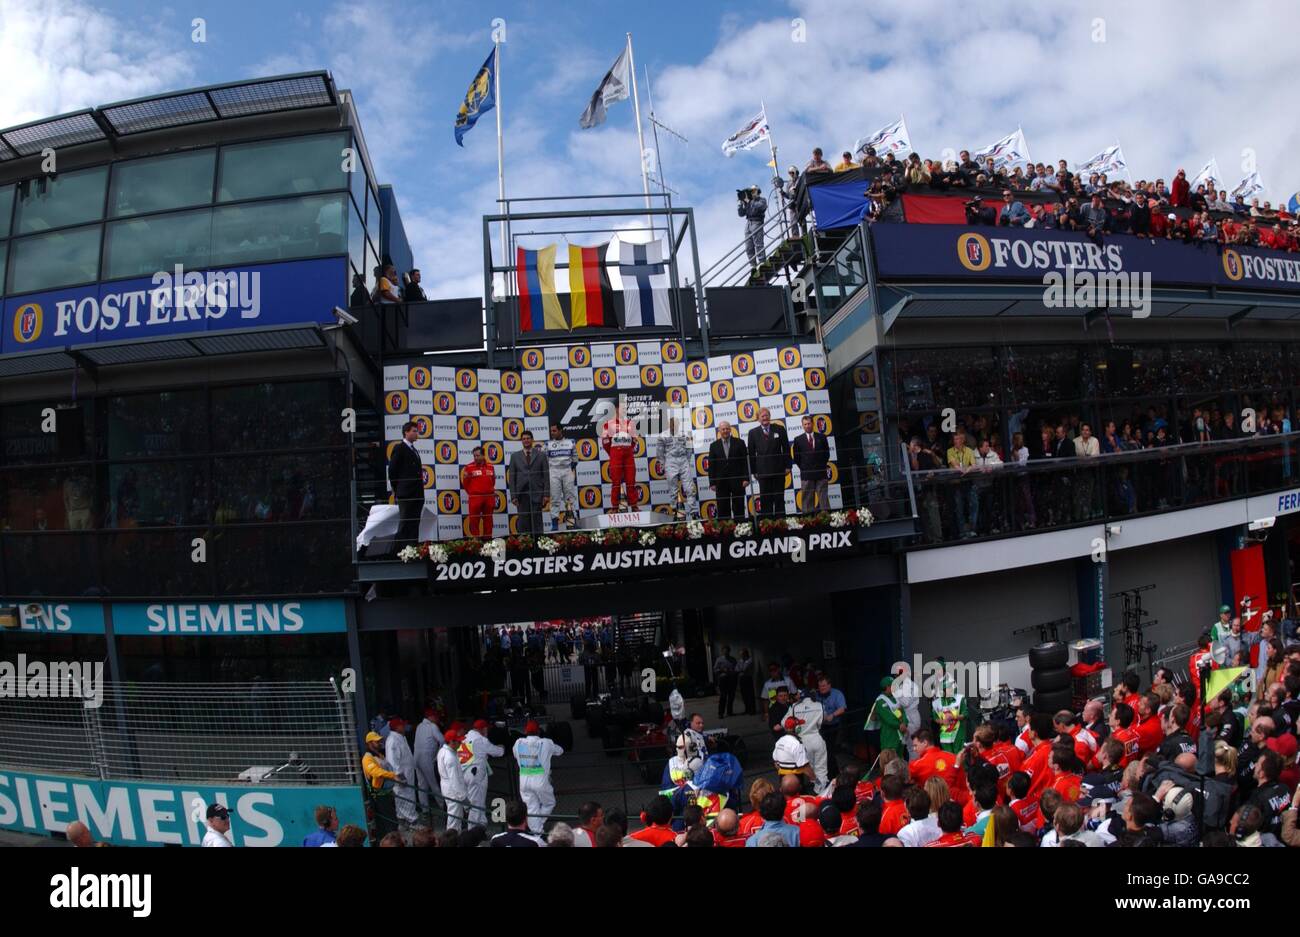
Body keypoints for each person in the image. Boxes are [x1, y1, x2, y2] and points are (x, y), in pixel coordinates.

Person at [513, 720, 563, 834]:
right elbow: (560, 751)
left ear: (525, 731)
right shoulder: (546, 743)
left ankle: (536, 832)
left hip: (524, 780)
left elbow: (516, 755)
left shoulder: (518, 743)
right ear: (539, 731)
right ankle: (538, 826)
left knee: (531, 808)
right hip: (540, 781)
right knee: (549, 803)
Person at [747, 408, 790, 518]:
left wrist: (788, 466)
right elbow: (751, 454)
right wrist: (754, 471)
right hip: (763, 472)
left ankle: (781, 524)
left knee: (779, 498)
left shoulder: (779, 429)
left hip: (778, 470)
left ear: (769, 416)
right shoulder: (752, 433)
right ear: (758, 419)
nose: (765, 418)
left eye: (766, 415)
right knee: (765, 500)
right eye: (762, 416)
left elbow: (786, 448)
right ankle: (768, 525)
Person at [388, 421, 425, 548]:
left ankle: (412, 549)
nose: (416, 433)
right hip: (406, 493)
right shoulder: (399, 448)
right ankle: (399, 550)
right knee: (405, 522)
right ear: (406, 432)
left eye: (416, 431)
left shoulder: (414, 450)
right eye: (414, 431)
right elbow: (392, 470)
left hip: (417, 493)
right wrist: (396, 489)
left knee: (415, 522)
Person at [506, 431, 549, 534]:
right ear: (521, 441)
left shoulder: (541, 455)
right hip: (521, 494)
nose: (526, 440)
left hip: (537, 493)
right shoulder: (514, 456)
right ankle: (525, 545)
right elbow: (512, 478)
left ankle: (539, 545)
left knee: (537, 523)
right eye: (524, 438)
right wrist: (513, 496)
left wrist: (546, 494)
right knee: (523, 523)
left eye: (528, 438)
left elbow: (546, 476)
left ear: (532, 439)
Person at [657, 415, 698, 519]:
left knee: (689, 487)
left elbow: (689, 448)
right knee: (673, 488)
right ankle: (675, 511)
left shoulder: (685, 434)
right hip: (670, 461)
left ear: (679, 424)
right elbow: (659, 452)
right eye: (672, 424)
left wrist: (687, 461)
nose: (674, 426)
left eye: (676, 424)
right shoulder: (662, 436)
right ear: (669, 425)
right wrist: (663, 464)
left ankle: (694, 512)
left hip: (683, 460)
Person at [601, 401, 639, 511]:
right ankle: (615, 506)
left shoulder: (630, 423)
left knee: (631, 480)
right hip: (615, 454)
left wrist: (628, 449)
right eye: (622, 407)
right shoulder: (607, 424)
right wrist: (613, 453)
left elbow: (634, 440)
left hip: (628, 455)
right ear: (616, 409)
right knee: (616, 481)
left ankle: (634, 505)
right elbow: (605, 442)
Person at [708, 421, 749, 520]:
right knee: (723, 509)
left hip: (738, 481)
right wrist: (712, 482)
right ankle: (726, 532)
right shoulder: (713, 445)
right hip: (721, 482)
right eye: (723, 429)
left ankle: (741, 530)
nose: (725, 431)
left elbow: (745, 462)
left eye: (727, 428)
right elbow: (711, 465)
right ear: (719, 431)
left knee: (739, 507)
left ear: (730, 429)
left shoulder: (740, 442)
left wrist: (746, 478)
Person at [790, 690, 829, 793]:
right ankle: (821, 793)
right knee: (821, 769)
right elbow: (824, 719)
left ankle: (815, 790)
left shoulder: (794, 707)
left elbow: (785, 723)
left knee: (809, 770)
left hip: (803, 741)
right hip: (817, 737)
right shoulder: (819, 705)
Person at [361, 730, 399, 836]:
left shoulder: (379, 755)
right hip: (379, 797)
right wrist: (393, 776)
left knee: (390, 823)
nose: (379, 743)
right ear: (369, 743)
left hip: (387, 794)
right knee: (388, 824)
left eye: (379, 741)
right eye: (376, 741)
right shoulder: (367, 758)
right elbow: (375, 772)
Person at [790, 414, 830, 513]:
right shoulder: (798, 440)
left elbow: (826, 454)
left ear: (812, 424)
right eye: (805, 424)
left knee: (823, 499)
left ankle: (827, 520)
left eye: (809, 423)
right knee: (807, 500)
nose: (807, 426)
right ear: (802, 426)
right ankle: (809, 521)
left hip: (821, 472)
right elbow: (797, 458)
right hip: (806, 473)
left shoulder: (822, 437)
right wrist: (804, 467)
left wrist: (820, 465)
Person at [384, 716, 419, 828]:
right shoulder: (393, 740)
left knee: (405, 797)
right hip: (401, 776)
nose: (404, 726)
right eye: (401, 725)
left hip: (407, 774)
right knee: (405, 797)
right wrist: (399, 775)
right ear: (396, 727)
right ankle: (412, 822)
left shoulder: (400, 737)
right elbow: (392, 760)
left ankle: (404, 822)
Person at [413, 707, 445, 816]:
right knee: (433, 784)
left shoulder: (419, 726)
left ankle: (425, 810)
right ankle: (443, 806)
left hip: (416, 757)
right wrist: (438, 755)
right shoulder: (432, 726)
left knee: (422, 785)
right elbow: (442, 740)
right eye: (435, 716)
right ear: (431, 717)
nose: (437, 718)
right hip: (426, 758)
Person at [545, 425, 578, 530]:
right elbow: (544, 461)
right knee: (555, 498)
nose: (552, 433)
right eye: (551, 431)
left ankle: (572, 522)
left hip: (567, 470)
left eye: (554, 431)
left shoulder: (570, 442)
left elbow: (575, 459)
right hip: (553, 472)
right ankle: (554, 524)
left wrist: (568, 469)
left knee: (570, 498)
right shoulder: (547, 445)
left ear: (560, 430)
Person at [813, 675, 846, 778]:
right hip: (819, 726)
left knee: (829, 750)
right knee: (822, 750)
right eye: (819, 686)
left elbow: (842, 708)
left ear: (829, 685)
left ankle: (833, 774)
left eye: (823, 686)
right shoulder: (816, 695)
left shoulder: (837, 694)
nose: (821, 688)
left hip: (833, 725)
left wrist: (833, 715)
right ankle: (832, 773)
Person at [867, 676, 908, 757]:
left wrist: (904, 722)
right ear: (887, 687)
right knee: (889, 761)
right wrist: (900, 725)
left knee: (900, 759)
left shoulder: (895, 698)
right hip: (889, 737)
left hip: (900, 735)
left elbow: (902, 712)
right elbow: (888, 718)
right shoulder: (880, 701)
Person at [460, 446, 495, 538]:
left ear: (483, 455)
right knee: (474, 520)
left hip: (489, 497)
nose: (475, 458)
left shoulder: (491, 467)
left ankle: (488, 540)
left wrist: (487, 490)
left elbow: (493, 481)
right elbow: (465, 483)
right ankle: (476, 542)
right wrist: (473, 492)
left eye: (478, 455)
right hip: (475, 497)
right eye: (474, 456)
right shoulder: (469, 467)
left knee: (488, 519)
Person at [739, 185, 767, 271]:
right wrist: (740, 204)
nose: (752, 192)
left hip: (757, 222)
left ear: (758, 191)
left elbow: (760, 207)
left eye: (754, 190)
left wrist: (750, 201)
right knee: (748, 247)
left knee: (758, 244)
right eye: (751, 191)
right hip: (748, 223)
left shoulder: (762, 200)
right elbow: (741, 214)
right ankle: (753, 265)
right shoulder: (749, 202)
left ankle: (762, 261)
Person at [713, 645, 738, 718]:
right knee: (723, 696)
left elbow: (736, 668)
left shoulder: (733, 659)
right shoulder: (719, 659)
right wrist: (722, 670)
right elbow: (715, 670)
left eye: (727, 651)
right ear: (722, 651)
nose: (726, 652)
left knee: (731, 696)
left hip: (731, 679)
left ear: (729, 651)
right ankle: (720, 713)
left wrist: (733, 671)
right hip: (723, 679)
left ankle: (730, 712)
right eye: (724, 651)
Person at [736, 649, 756, 715]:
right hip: (742, 678)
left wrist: (741, 669)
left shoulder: (750, 660)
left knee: (750, 694)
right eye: (740, 655)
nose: (741, 656)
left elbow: (744, 669)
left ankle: (752, 710)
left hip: (748, 678)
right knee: (744, 695)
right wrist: (740, 669)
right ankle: (747, 709)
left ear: (746, 654)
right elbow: (736, 669)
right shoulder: (740, 661)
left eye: (742, 654)